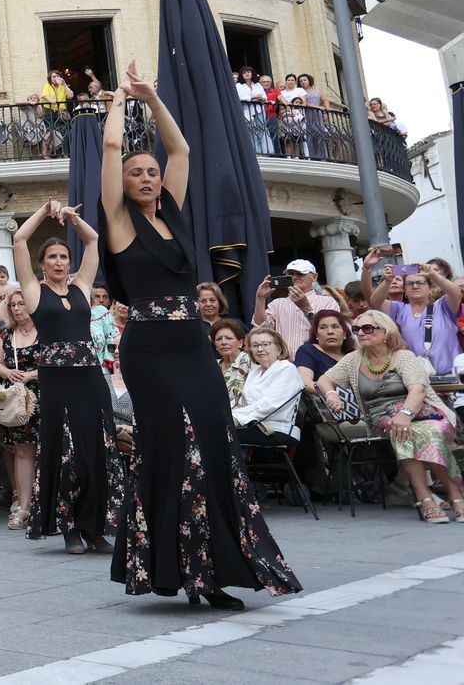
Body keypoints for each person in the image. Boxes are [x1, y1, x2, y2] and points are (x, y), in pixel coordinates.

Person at [100, 62, 299, 610]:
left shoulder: (178, 219)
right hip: (149, 350)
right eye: (136, 172)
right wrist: (119, 99)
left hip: (193, 342)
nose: (145, 176)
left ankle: (217, 563)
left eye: (150, 172)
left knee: (212, 441)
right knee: (174, 445)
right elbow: (112, 150)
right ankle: (188, 571)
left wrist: (152, 98)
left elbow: (181, 151)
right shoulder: (119, 223)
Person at [12, 200, 117, 553]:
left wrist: (71, 217)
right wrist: (43, 211)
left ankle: (94, 528)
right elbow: (19, 241)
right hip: (57, 382)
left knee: (96, 451)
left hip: (90, 379)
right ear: (43, 265)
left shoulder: (82, 287)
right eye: (52, 257)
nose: (59, 262)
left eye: (63, 257)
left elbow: (93, 240)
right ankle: (69, 528)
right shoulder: (33, 291)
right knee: (65, 453)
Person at [311, 311, 462, 523]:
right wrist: (331, 394)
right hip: (381, 417)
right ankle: (428, 495)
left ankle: (444, 493)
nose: (360, 333)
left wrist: (405, 414)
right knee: (401, 430)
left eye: (368, 328)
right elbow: (323, 380)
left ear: (385, 331)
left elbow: (417, 390)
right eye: (357, 329)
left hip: (421, 411)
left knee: (427, 431)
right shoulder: (353, 359)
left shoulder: (404, 356)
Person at [360, 249, 462, 379]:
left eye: (420, 282)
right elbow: (374, 301)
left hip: (451, 377)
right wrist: (381, 277)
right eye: (409, 283)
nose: (415, 286)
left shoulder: (442, 306)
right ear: (405, 291)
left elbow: (456, 293)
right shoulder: (398, 309)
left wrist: (432, 274)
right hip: (415, 380)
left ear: (430, 289)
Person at [0, 285, 40, 530]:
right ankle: (24, 507)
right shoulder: (8, 333)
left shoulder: (47, 329)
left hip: (43, 394)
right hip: (18, 399)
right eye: (13, 305)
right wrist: (8, 372)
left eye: (22, 303)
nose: (17, 309)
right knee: (21, 451)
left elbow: (59, 359)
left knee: (48, 450)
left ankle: (48, 504)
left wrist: (31, 374)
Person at [253, 259, 341, 358]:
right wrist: (260, 299)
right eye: (290, 274)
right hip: (284, 363)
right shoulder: (277, 304)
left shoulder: (327, 302)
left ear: (314, 277)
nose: (295, 277)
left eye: (300, 274)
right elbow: (261, 329)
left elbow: (330, 332)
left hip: (317, 361)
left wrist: (306, 308)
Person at [231, 328, 304, 448]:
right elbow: (244, 401)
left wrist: (236, 416)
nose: (259, 349)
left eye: (265, 344)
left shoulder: (286, 368)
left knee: (220, 434)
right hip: (252, 425)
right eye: (255, 345)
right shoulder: (255, 372)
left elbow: (271, 404)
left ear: (279, 349)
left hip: (276, 429)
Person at [212, 319, 252, 401]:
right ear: (215, 345)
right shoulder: (212, 366)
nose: (223, 342)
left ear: (240, 343)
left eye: (229, 338)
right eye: (219, 339)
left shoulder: (250, 362)